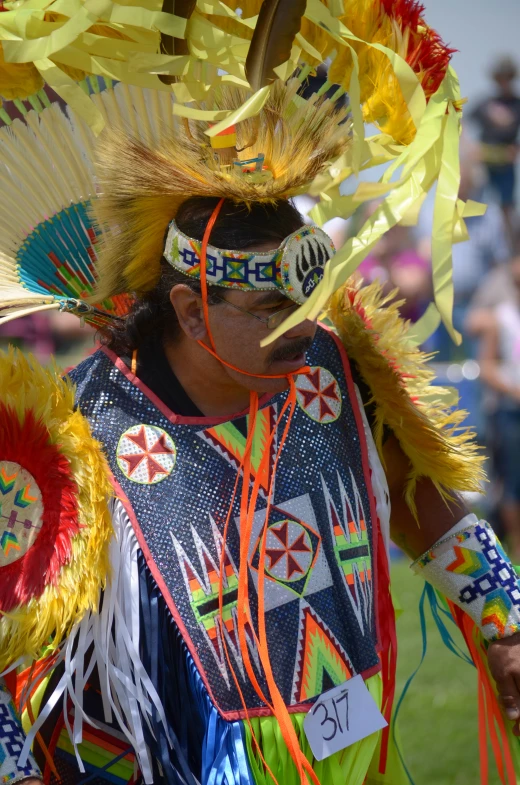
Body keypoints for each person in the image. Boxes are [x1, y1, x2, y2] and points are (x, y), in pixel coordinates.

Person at [2, 5, 520, 785]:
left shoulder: (336, 376)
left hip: (346, 754)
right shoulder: (76, 434)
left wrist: (507, 625)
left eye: (310, 309)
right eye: (272, 311)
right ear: (188, 309)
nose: (302, 331)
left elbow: (426, 503)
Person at [475, 247, 520, 563]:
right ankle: (517, 548)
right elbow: (486, 366)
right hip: (509, 409)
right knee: (513, 481)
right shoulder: (500, 317)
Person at [471, 57, 520, 238]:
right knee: (477, 201)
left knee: (507, 207)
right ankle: (475, 239)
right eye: (501, 77)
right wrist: (472, 149)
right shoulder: (485, 104)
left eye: (507, 77)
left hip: (506, 163)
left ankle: (512, 245)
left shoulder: (517, 105)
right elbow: (463, 125)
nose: (504, 81)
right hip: (484, 160)